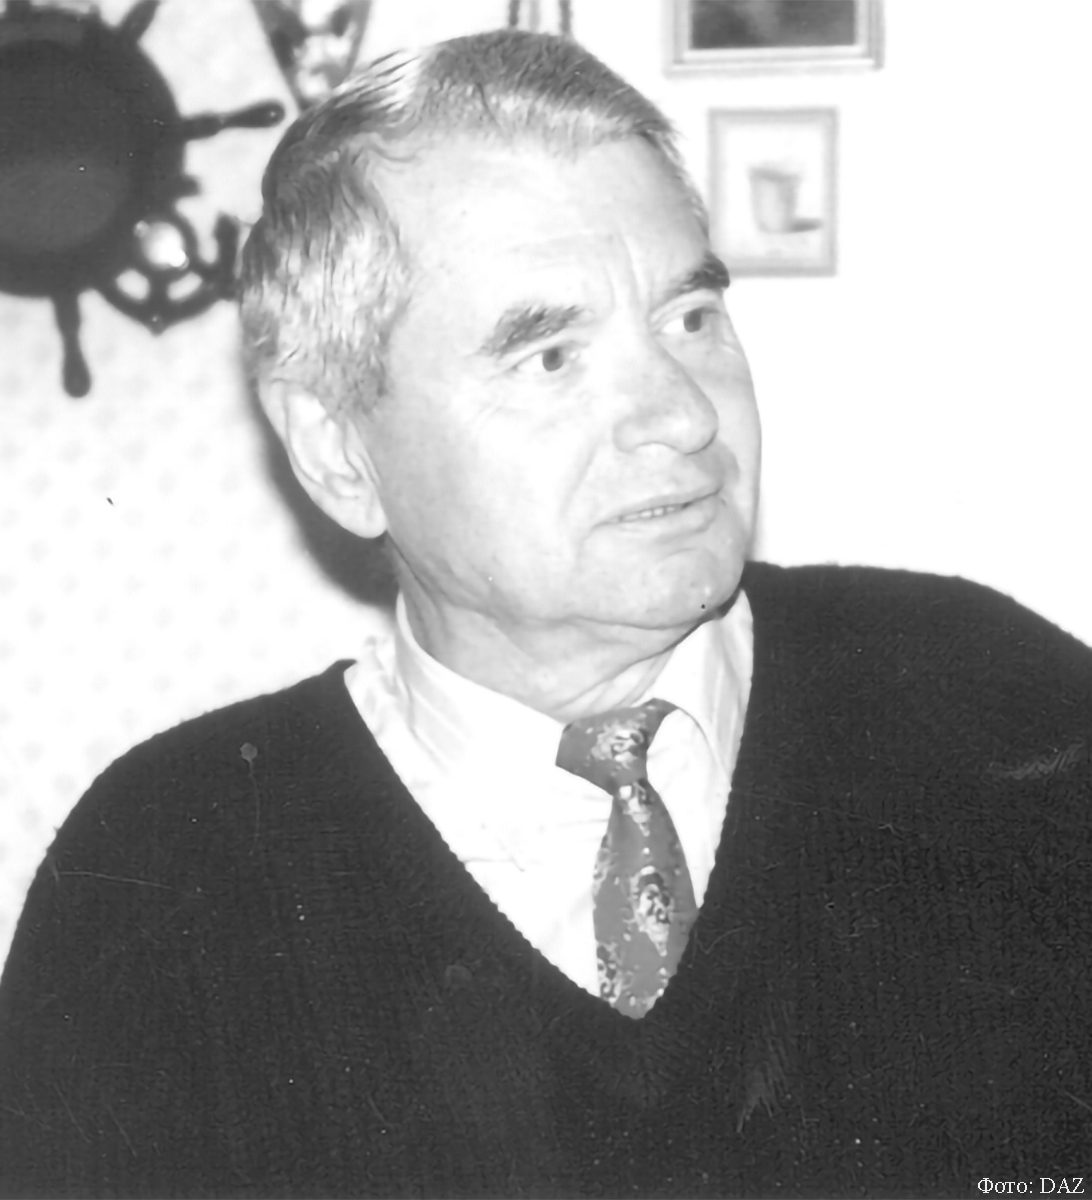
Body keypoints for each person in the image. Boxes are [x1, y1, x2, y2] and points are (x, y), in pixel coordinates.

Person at [2, 27, 1091, 1199]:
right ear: (337, 452)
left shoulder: (994, 703)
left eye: (690, 319)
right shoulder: (165, 878)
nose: (682, 415)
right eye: (552, 357)